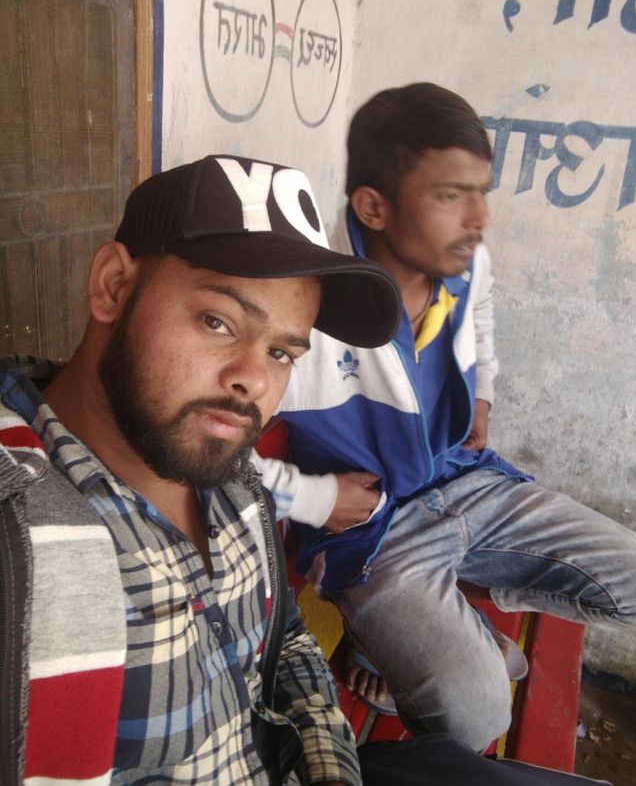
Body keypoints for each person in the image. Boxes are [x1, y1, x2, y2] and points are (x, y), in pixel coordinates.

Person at [253, 84, 636, 753]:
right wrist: (317, 499)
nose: (479, 217)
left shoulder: (462, 262)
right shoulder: (305, 301)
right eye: (451, 195)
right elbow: (215, 452)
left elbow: (482, 318)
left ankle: (433, 628)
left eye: (481, 192)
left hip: (470, 480)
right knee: (478, 717)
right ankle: (403, 634)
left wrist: (482, 391)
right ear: (373, 207)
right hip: (374, 530)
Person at [0, 154, 403, 786]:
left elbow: (282, 638)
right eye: (217, 322)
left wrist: (329, 768)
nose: (253, 381)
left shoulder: (230, 472)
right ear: (113, 286)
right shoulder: (21, 539)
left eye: (281, 352)